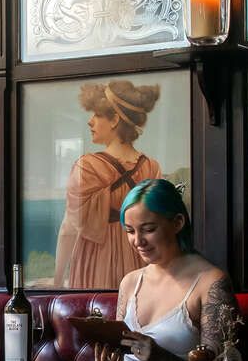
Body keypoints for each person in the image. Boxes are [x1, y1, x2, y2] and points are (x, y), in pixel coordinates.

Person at [113, 178, 238, 361]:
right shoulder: (129, 282)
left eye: (148, 229)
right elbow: (120, 360)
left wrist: (162, 357)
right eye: (130, 231)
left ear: (178, 223)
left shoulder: (211, 283)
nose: (138, 241)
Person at [53, 79, 165, 289]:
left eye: (96, 115)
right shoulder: (152, 167)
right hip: (140, 261)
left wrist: (58, 279)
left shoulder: (87, 166)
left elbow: (69, 228)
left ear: (114, 119)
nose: (90, 122)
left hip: (97, 260)